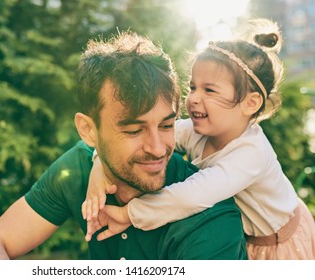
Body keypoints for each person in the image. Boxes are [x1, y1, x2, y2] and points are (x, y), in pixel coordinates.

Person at [0, 31, 247, 260]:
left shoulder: (210, 220)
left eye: (166, 125)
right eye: (134, 130)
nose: (158, 149)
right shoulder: (77, 170)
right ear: (88, 130)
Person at [83, 20, 315, 260]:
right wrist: (100, 164)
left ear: (250, 103)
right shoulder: (198, 131)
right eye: (193, 87)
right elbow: (125, 139)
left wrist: (128, 214)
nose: (193, 98)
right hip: (248, 237)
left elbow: (189, 197)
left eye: (210, 90)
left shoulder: (251, 154)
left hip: (278, 243)